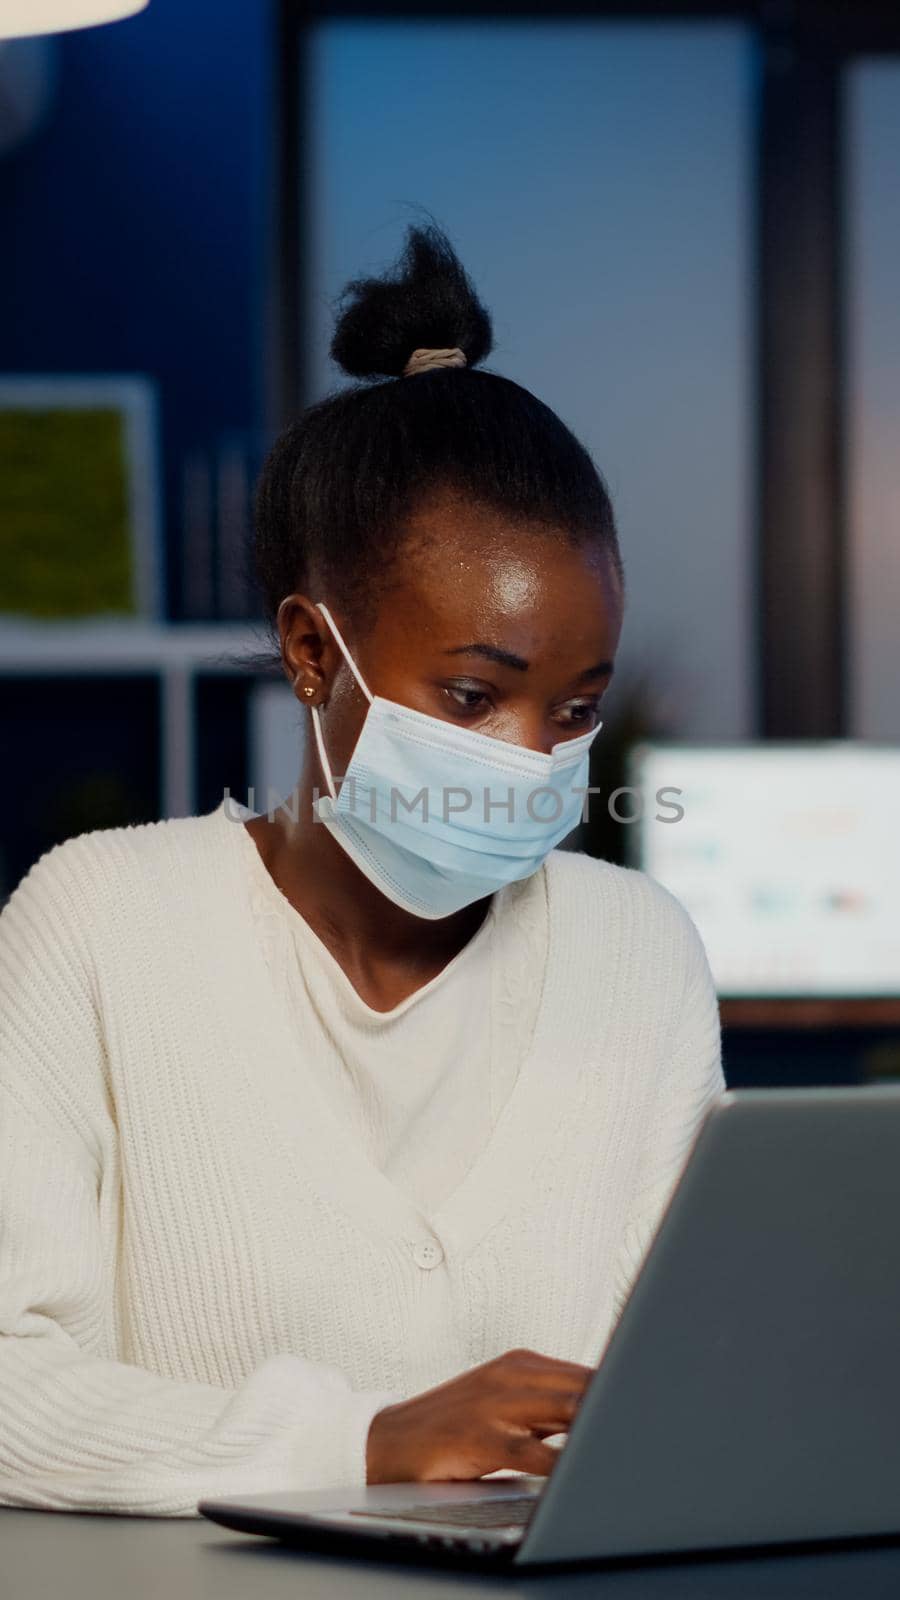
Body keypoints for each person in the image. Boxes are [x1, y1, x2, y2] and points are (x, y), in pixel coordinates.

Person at [0, 222, 724, 1516]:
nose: (531, 756)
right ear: (311, 653)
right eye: (470, 693)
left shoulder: (637, 952)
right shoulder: (102, 921)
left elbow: (680, 1393)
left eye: (573, 710)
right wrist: (364, 1441)